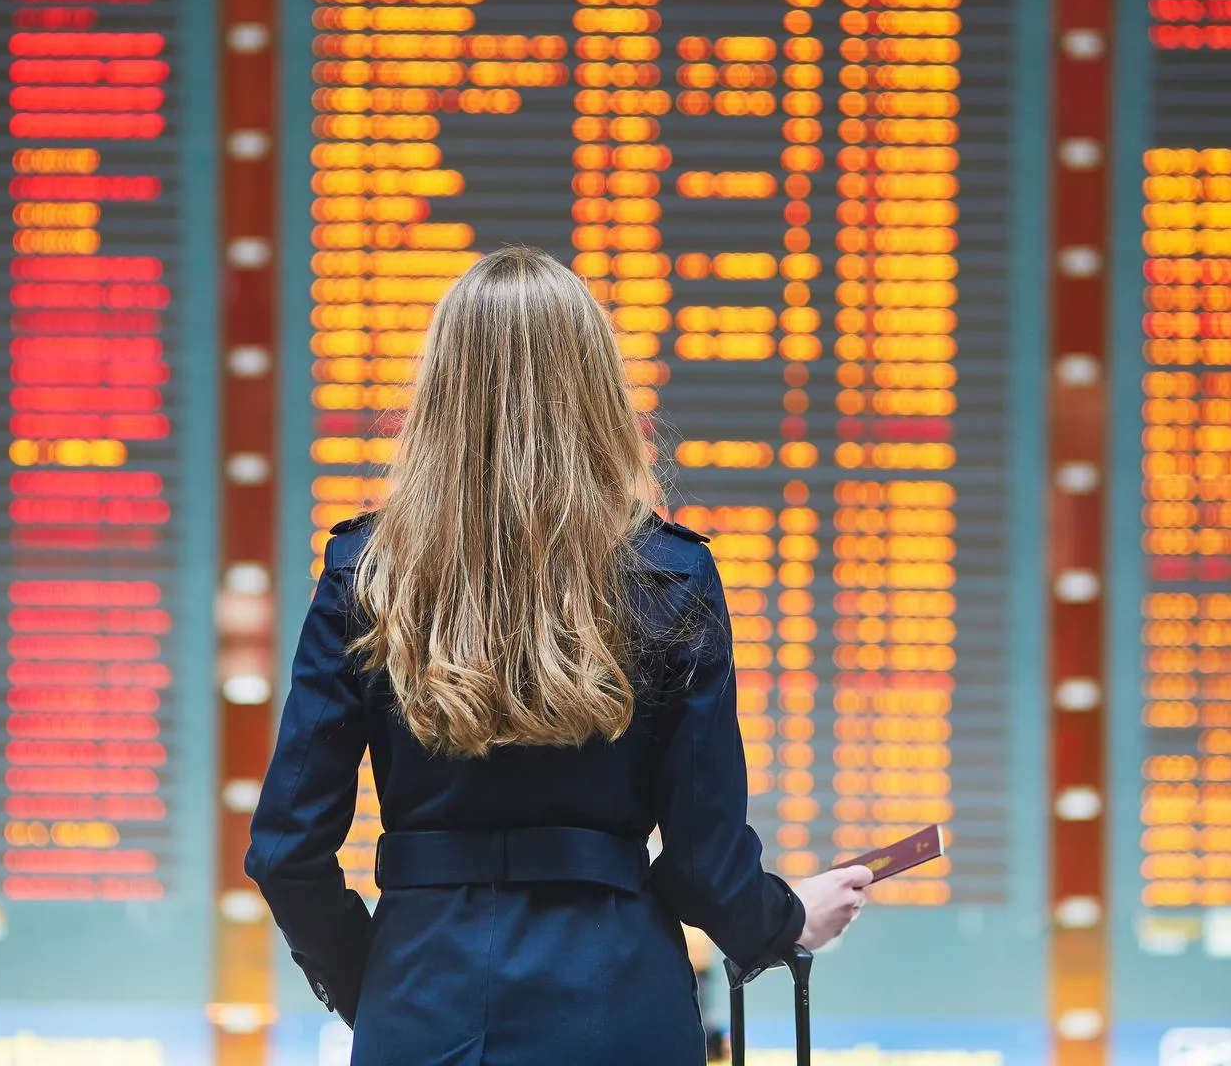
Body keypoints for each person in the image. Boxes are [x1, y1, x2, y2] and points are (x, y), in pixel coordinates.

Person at [246, 245, 873, 1065]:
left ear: (438, 392)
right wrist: (785, 920)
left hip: (420, 1004)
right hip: (620, 1009)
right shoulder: (672, 576)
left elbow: (288, 850)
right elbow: (701, 862)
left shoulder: (367, 574)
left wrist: (378, 985)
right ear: (596, 389)